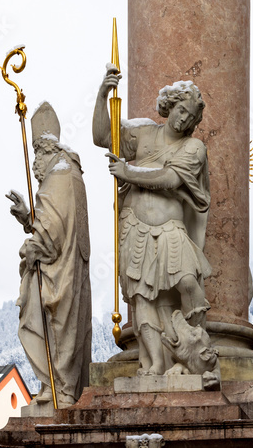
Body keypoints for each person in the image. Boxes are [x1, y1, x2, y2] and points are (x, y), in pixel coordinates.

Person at [92, 65, 212, 376]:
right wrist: (103, 94)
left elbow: (171, 179)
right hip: (135, 226)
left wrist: (129, 172)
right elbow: (102, 136)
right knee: (141, 296)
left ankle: (195, 351)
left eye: (191, 117)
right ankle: (157, 362)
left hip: (171, 229)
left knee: (188, 280)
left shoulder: (193, 148)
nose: (184, 119)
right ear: (171, 105)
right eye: (181, 110)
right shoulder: (144, 132)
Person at [8, 101, 92, 407]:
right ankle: (52, 385)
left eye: (35, 157)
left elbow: (53, 233)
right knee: (56, 328)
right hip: (61, 267)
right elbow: (51, 222)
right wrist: (28, 216)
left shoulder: (60, 176)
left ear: (46, 151)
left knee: (60, 328)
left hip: (60, 270)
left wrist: (33, 246)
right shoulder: (67, 174)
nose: (33, 166)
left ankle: (62, 389)